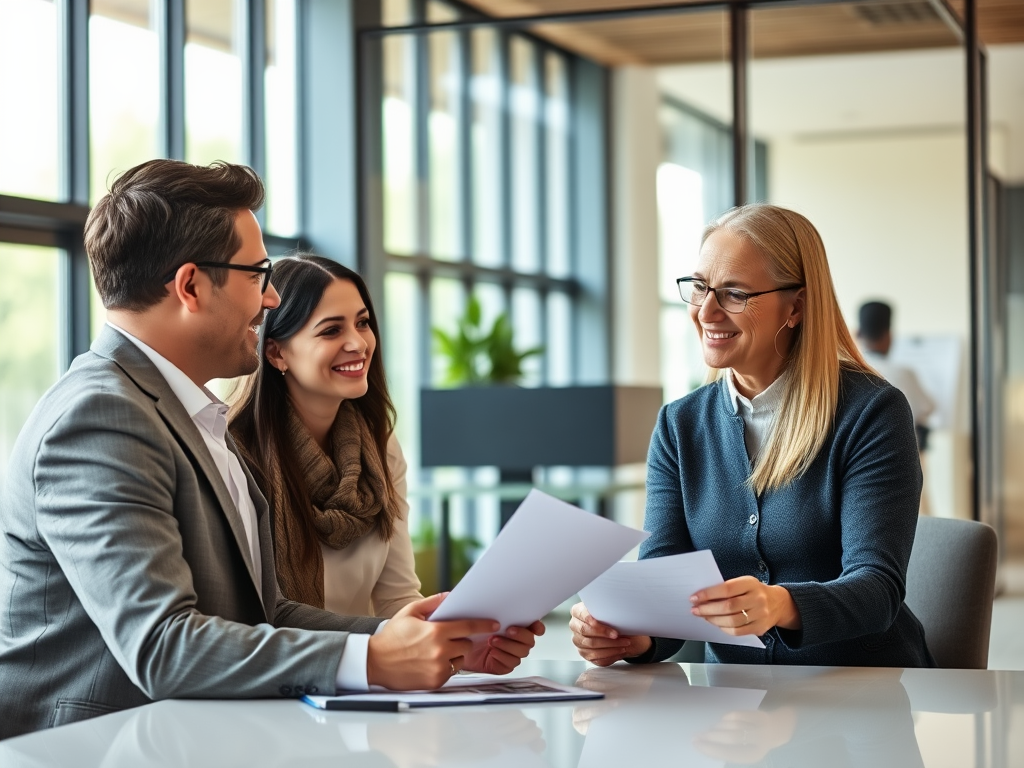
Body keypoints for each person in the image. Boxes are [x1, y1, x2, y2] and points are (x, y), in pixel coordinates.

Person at [0, 159, 541, 740]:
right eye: (257, 274)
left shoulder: (186, 412)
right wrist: (371, 660)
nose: (270, 297)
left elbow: (264, 613)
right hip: (88, 748)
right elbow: (162, 647)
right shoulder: (101, 418)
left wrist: (391, 637)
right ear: (190, 286)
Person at [569, 203, 934, 668]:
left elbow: (877, 589)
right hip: (737, 710)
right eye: (700, 287)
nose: (706, 311)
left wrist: (779, 605)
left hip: (863, 693)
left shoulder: (871, 412)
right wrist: (633, 638)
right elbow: (662, 584)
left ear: (796, 307)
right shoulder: (679, 426)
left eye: (735, 293)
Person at [228, 254, 421, 618]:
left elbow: (398, 600)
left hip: (364, 668)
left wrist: (457, 637)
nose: (359, 344)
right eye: (332, 330)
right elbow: (247, 618)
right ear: (276, 352)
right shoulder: (234, 456)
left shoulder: (381, 448)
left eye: (362, 323)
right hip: (283, 669)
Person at [857, 300, 935, 451]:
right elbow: (927, 407)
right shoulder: (903, 374)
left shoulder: (850, 372)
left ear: (858, 333)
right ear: (888, 335)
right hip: (899, 456)